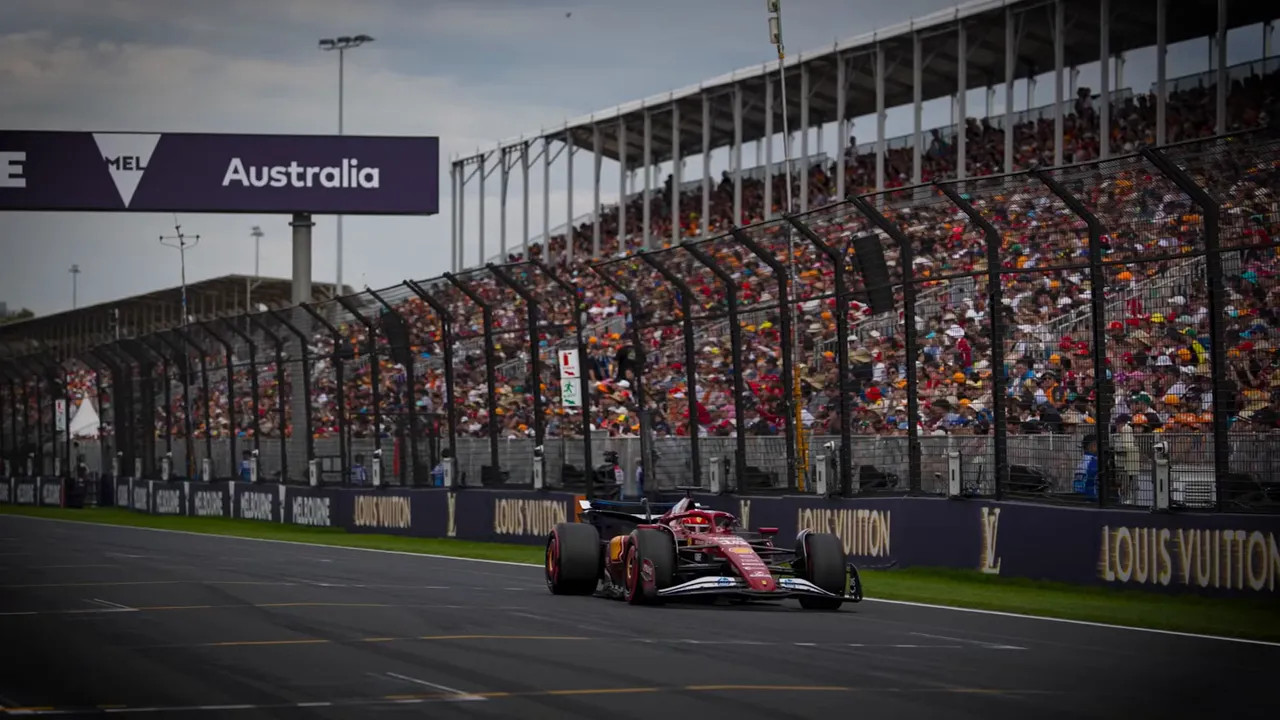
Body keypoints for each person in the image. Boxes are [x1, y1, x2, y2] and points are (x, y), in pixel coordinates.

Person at [1074, 433, 1099, 500]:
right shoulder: (1094, 461)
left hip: (1079, 498)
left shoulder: (1081, 461)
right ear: (1092, 446)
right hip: (1093, 498)